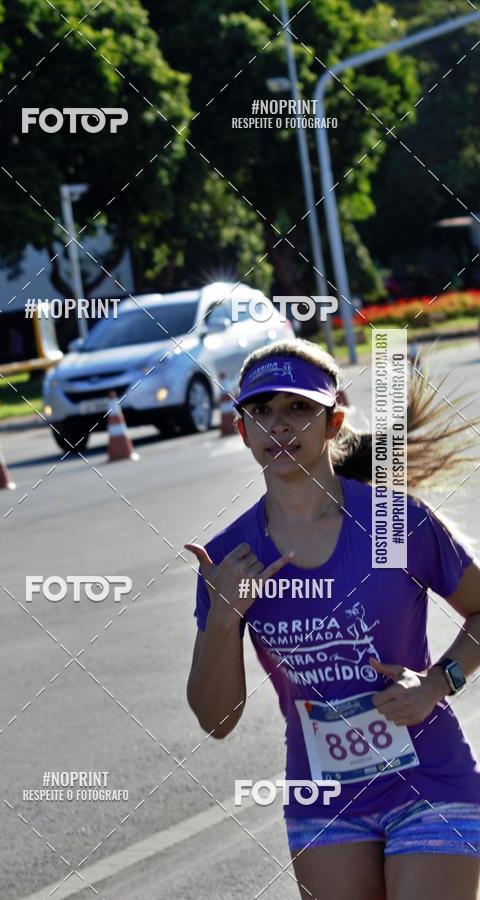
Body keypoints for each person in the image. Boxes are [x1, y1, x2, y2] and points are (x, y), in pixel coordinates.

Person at [186, 337, 480, 900]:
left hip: (430, 780)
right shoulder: (232, 557)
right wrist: (224, 620)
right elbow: (216, 720)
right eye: (261, 410)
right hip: (325, 803)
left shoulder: (394, 524)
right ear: (242, 429)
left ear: (333, 421)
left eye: (299, 408)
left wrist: (440, 683)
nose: (279, 425)